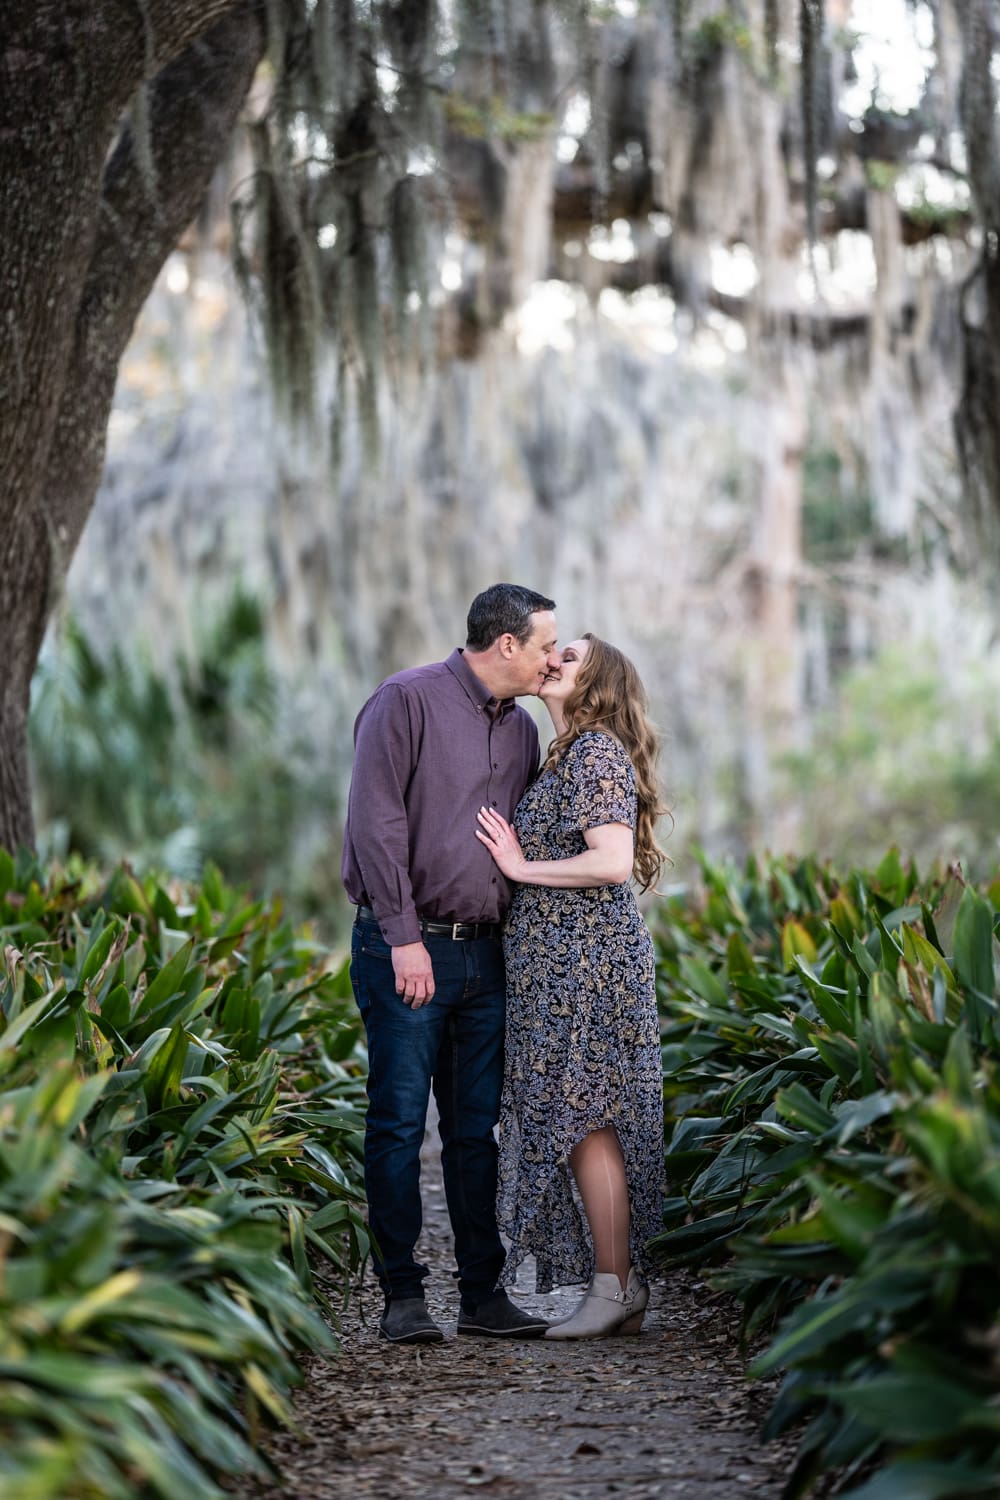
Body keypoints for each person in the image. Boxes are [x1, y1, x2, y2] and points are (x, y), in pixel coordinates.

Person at [342, 584, 561, 1344]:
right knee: (400, 1123)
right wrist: (404, 936)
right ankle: (402, 1295)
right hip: (407, 948)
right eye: (543, 646)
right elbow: (375, 820)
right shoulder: (405, 701)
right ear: (506, 645)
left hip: (487, 958)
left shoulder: (525, 729)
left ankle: (483, 1294)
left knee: (476, 1132)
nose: (550, 658)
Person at [475, 633, 668, 1339]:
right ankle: (619, 1284)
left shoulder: (592, 752)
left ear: (597, 684)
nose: (551, 660)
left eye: (570, 657)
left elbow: (611, 862)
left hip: (588, 962)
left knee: (586, 1118)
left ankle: (614, 1286)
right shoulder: (563, 754)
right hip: (557, 965)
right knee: (581, 1118)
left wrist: (522, 869)